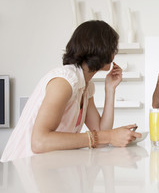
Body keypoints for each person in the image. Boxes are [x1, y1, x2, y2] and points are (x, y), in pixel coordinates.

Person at [1, 20, 141, 162]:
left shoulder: (86, 86)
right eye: (113, 46)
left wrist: (110, 89)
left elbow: (100, 132)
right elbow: (39, 142)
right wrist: (110, 136)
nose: (115, 52)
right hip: (21, 169)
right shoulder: (64, 81)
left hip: (44, 168)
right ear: (100, 48)